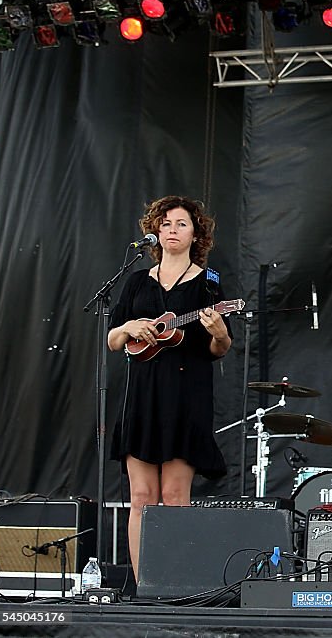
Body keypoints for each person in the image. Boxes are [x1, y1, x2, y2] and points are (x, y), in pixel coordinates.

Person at [107, 196, 232, 580]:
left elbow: (219, 349)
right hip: (143, 394)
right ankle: (145, 582)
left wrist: (219, 332)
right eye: (165, 224)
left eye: (180, 224)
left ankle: (174, 581)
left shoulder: (208, 282)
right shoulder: (135, 282)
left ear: (197, 234)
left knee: (175, 497)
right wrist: (131, 327)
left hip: (186, 393)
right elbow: (113, 339)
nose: (171, 231)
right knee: (141, 498)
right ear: (155, 232)